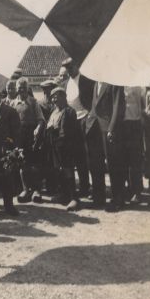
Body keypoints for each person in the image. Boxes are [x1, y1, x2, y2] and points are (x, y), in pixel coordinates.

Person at [57, 58, 94, 196]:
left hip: (85, 118)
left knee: (85, 157)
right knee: (75, 156)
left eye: (71, 66)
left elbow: (91, 100)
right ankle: (78, 188)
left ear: (77, 66)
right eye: (67, 67)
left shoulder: (85, 80)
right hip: (72, 122)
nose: (70, 69)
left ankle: (86, 187)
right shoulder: (67, 83)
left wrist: (89, 116)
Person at [86, 82, 126, 211]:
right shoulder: (95, 83)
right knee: (95, 164)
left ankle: (117, 200)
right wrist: (89, 119)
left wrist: (112, 128)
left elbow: (118, 106)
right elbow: (94, 105)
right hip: (94, 127)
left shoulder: (114, 82)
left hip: (108, 128)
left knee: (113, 164)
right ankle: (99, 198)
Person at [12, 77, 45, 203]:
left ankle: (36, 191)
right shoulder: (13, 103)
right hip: (19, 137)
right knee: (22, 164)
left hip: (31, 137)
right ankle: (26, 190)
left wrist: (37, 129)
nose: (21, 91)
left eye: (24, 88)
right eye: (19, 88)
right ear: (17, 89)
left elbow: (41, 119)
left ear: (28, 89)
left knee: (34, 164)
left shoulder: (33, 102)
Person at [46, 87, 80, 210]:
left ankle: (73, 198)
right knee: (58, 170)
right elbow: (49, 125)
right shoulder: (54, 112)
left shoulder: (70, 111)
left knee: (68, 170)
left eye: (57, 96)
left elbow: (70, 132)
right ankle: (64, 195)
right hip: (55, 146)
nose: (54, 100)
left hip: (66, 147)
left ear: (63, 97)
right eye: (52, 97)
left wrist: (56, 130)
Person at [122, 86, 144, 204]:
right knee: (124, 159)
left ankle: (137, 191)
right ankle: (128, 189)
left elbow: (141, 106)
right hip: (121, 124)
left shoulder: (136, 85)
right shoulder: (117, 85)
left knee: (134, 159)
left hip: (134, 124)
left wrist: (140, 123)